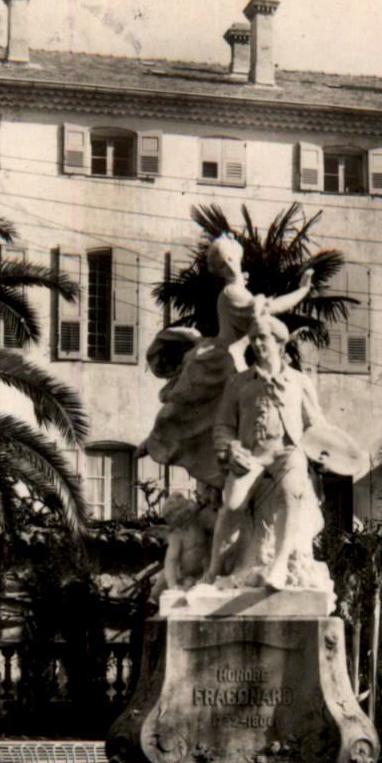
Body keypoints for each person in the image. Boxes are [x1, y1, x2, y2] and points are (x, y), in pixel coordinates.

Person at [141, 233, 314, 489]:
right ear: (222, 267)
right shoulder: (233, 293)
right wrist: (302, 291)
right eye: (225, 262)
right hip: (221, 360)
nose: (230, 265)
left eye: (232, 259)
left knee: (216, 417)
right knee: (197, 412)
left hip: (229, 358)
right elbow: (269, 309)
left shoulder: (238, 290)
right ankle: (158, 442)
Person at [203, 312, 327, 590]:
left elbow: (315, 424)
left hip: (288, 453)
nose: (257, 344)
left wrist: (324, 453)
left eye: (263, 338)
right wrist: (231, 449)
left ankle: (280, 566)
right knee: (232, 504)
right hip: (252, 455)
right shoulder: (238, 383)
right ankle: (213, 571)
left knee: (291, 493)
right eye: (254, 338)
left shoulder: (299, 382)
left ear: (279, 343)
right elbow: (223, 425)